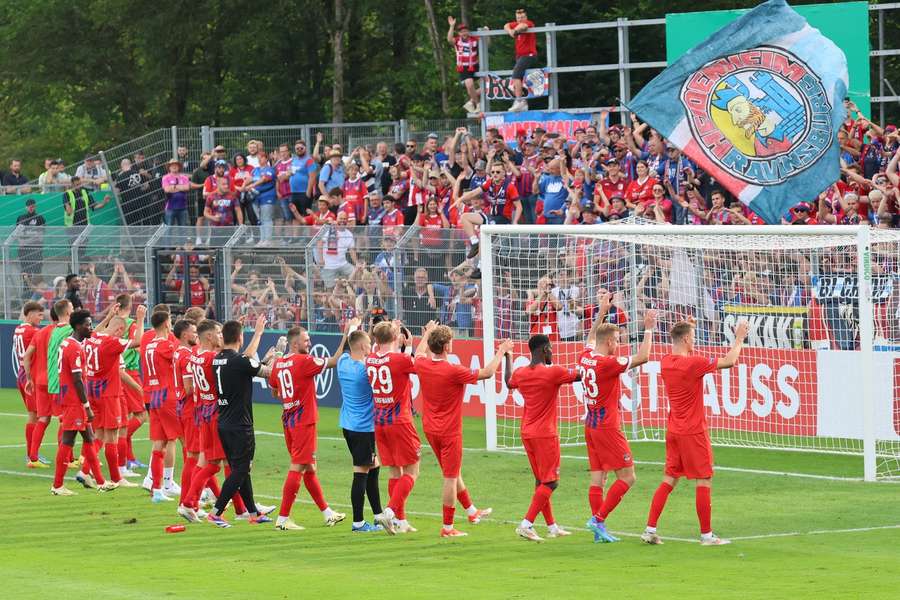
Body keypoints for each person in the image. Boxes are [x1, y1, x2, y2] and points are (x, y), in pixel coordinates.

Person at [642, 318, 749, 546]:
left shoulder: (666, 362)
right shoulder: (693, 364)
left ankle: (650, 529)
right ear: (687, 338)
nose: (695, 340)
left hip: (673, 430)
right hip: (693, 431)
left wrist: (686, 329)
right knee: (704, 479)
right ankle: (707, 536)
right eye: (693, 336)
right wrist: (739, 337)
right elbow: (730, 361)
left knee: (669, 479)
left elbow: (688, 358)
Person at [415, 323, 511, 537]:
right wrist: (501, 351)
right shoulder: (453, 370)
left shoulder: (421, 364)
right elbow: (487, 373)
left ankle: (471, 511)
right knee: (450, 476)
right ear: (447, 346)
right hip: (449, 431)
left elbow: (419, 351)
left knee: (453, 471)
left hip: (430, 428)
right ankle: (448, 528)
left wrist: (428, 333)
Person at [581, 299, 657, 543]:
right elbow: (644, 356)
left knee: (598, 478)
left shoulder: (586, 357)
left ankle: (597, 530)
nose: (619, 344)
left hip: (590, 424)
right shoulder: (607, 363)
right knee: (627, 477)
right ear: (610, 342)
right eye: (618, 340)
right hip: (607, 427)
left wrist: (602, 312)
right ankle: (598, 519)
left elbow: (592, 336)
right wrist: (648, 328)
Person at [269, 321, 355, 531]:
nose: (310, 342)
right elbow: (334, 361)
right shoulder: (303, 361)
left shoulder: (279, 363)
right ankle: (282, 519)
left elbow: (274, 390)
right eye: (306, 340)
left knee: (309, 467)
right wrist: (347, 333)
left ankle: (327, 513)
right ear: (295, 343)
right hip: (303, 421)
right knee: (299, 466)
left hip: (289, 420)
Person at [503, 333, 581, 542]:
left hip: (527, 432)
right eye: (551, 348)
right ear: (544, 349)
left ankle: (552, 526)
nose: (552, 352)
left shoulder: (521, 373)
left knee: (541, 481)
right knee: (551, 483)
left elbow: (508, 382)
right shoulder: (553, 372)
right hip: (545, 435)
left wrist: (508, 356)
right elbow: (582, 375)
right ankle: (526, 524)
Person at [206, 317, 276, 528]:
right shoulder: (239, 361)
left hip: (224, 422)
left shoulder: (218, 359)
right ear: (239, 337)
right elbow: (267, 373)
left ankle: (253, 512)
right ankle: (216, 512)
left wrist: (263, 358)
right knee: (241, 469)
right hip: (240, 425)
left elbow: (246, 368)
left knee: (240, 468)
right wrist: (275, 354)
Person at [367, 320, 427, 535]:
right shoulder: (399, 359)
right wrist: (424, 337)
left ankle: (400, 521)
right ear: (396, 338)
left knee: (395, 471)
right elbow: (416, 363)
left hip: (380, 421)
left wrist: (396, 338)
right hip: (399, 421)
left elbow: (400, 361)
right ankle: (390, 512)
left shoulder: (371, 359)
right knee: (413, 469)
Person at [51, 310, 116, 495]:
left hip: (70, 397)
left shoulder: (69, 342)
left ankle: (101, 482)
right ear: (78, 326)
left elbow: (94, 333)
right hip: (74, 400)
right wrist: (86, 405)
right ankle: (57, 486)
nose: (90, 327)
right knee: (68, 440)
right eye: (88, 324)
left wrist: (109, 317)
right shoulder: (75, 348)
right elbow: (77, 379)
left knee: (89, 438)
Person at [82, 304, 147, 488]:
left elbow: (97, 329)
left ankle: (85, 470)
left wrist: (108, 315)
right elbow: (138, 341)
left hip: (92, 391)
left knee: (99, 435)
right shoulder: (111, 343)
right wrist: (141, 319)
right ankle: (116, 478)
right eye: (122, 332)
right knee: (112, 435)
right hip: (108, 393)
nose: (122, 336)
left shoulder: (92, 337)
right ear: (119, 330)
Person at [336, 328, 386, 532]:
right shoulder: (364, 371)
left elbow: (344, 349)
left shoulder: (342, 363)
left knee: (373, 466)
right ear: (364, 346)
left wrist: (351, 328)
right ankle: (358, 522)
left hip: (348, 425)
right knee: (361, 471)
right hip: (363, 428)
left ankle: (378, 515)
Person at [142, 311, 184, 503]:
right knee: (184, 440)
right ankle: (194, 489)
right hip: (168, 396)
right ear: (167, 323)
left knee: (160, 443)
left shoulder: (149, 343)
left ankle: (157, 489)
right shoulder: (166, 345)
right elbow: (182, 357)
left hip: (154, 395)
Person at [21, 302, 66, 468]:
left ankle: (32, 457)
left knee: (43, 418)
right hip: (55, 381)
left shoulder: (39, 333)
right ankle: (67, 457)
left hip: (38, 380)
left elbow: (26, 356)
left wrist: (29, 378)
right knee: (64, 419)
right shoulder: (61, 332)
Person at [14, 302, 44, 464]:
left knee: (35, 414)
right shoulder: (32, 331)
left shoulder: (19, 328)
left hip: (22, 373)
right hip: (29, 375)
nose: (41, 318)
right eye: (39, 315)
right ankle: (31, 454)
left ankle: (32, 453)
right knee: (35, 415)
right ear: (30, 314)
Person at [504, 8, 537, 112]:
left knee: (516, 75)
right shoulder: (517, 23)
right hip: (520, 56)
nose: (520, 19)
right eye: (518, 18)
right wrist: (510, 31)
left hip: (528, 54)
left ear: (526, 17)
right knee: (517, 79)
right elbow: (506, 25)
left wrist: (515, 30)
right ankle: (522, 102)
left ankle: (519, 101)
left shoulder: (528, 23)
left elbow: (524, 26)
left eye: (522, 17)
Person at [447, 17, 480, 113]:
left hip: (475, 65)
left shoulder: (474, 39)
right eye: (462, 32)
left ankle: (470, 102)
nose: (464, 33)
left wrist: (487, 34)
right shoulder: (457, 41)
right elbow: (449, 39)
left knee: (486, 86)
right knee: (470, 86)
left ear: (468, 32)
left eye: (465, 31)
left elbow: (486, 44)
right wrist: (452, 26)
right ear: (459, 33)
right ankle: (477, 104)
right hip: (464, 67)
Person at [162, 158, 194, 226]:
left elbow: (187, 188)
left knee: (183, 229)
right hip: (170, 207)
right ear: (169, 167)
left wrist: (173, 187)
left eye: (176, 165)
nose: (174, 166)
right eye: (172, 165)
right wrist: (180, 187)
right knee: (169, 228)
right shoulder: (165, 177)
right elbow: (167, 190)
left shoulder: (184, 177)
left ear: (179, 166)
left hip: (183, 207)